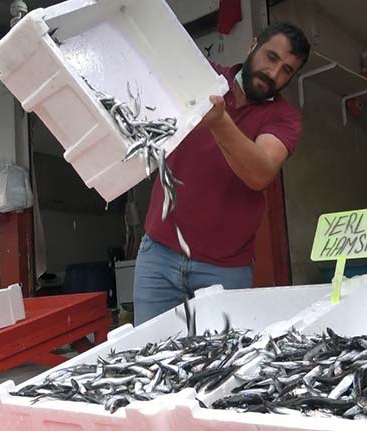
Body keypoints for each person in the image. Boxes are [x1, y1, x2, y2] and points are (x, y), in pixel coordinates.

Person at [133, 22, 311, 324]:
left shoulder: (285, 118)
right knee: (149, 360)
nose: (274, 74)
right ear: (252, 44)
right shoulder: (205, 77)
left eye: (287, 71)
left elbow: (260, 173)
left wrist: (219, 121)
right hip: (159, 256)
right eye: (271, 57)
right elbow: (145, 66)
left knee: (221, 367)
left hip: (225, 269)